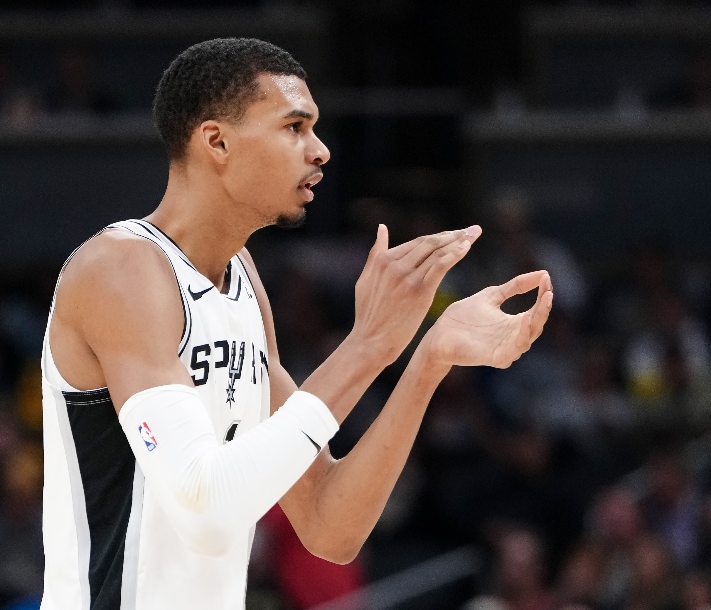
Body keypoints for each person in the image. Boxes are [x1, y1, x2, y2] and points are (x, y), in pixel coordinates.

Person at [41, 38, 554, 610]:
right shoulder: (120, 269)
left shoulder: (241, 278)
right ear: (217, 141)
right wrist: (368, 345)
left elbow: (330, 526)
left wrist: (427, 360)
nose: (321, 150)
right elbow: (205, 513)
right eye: (294, 127)